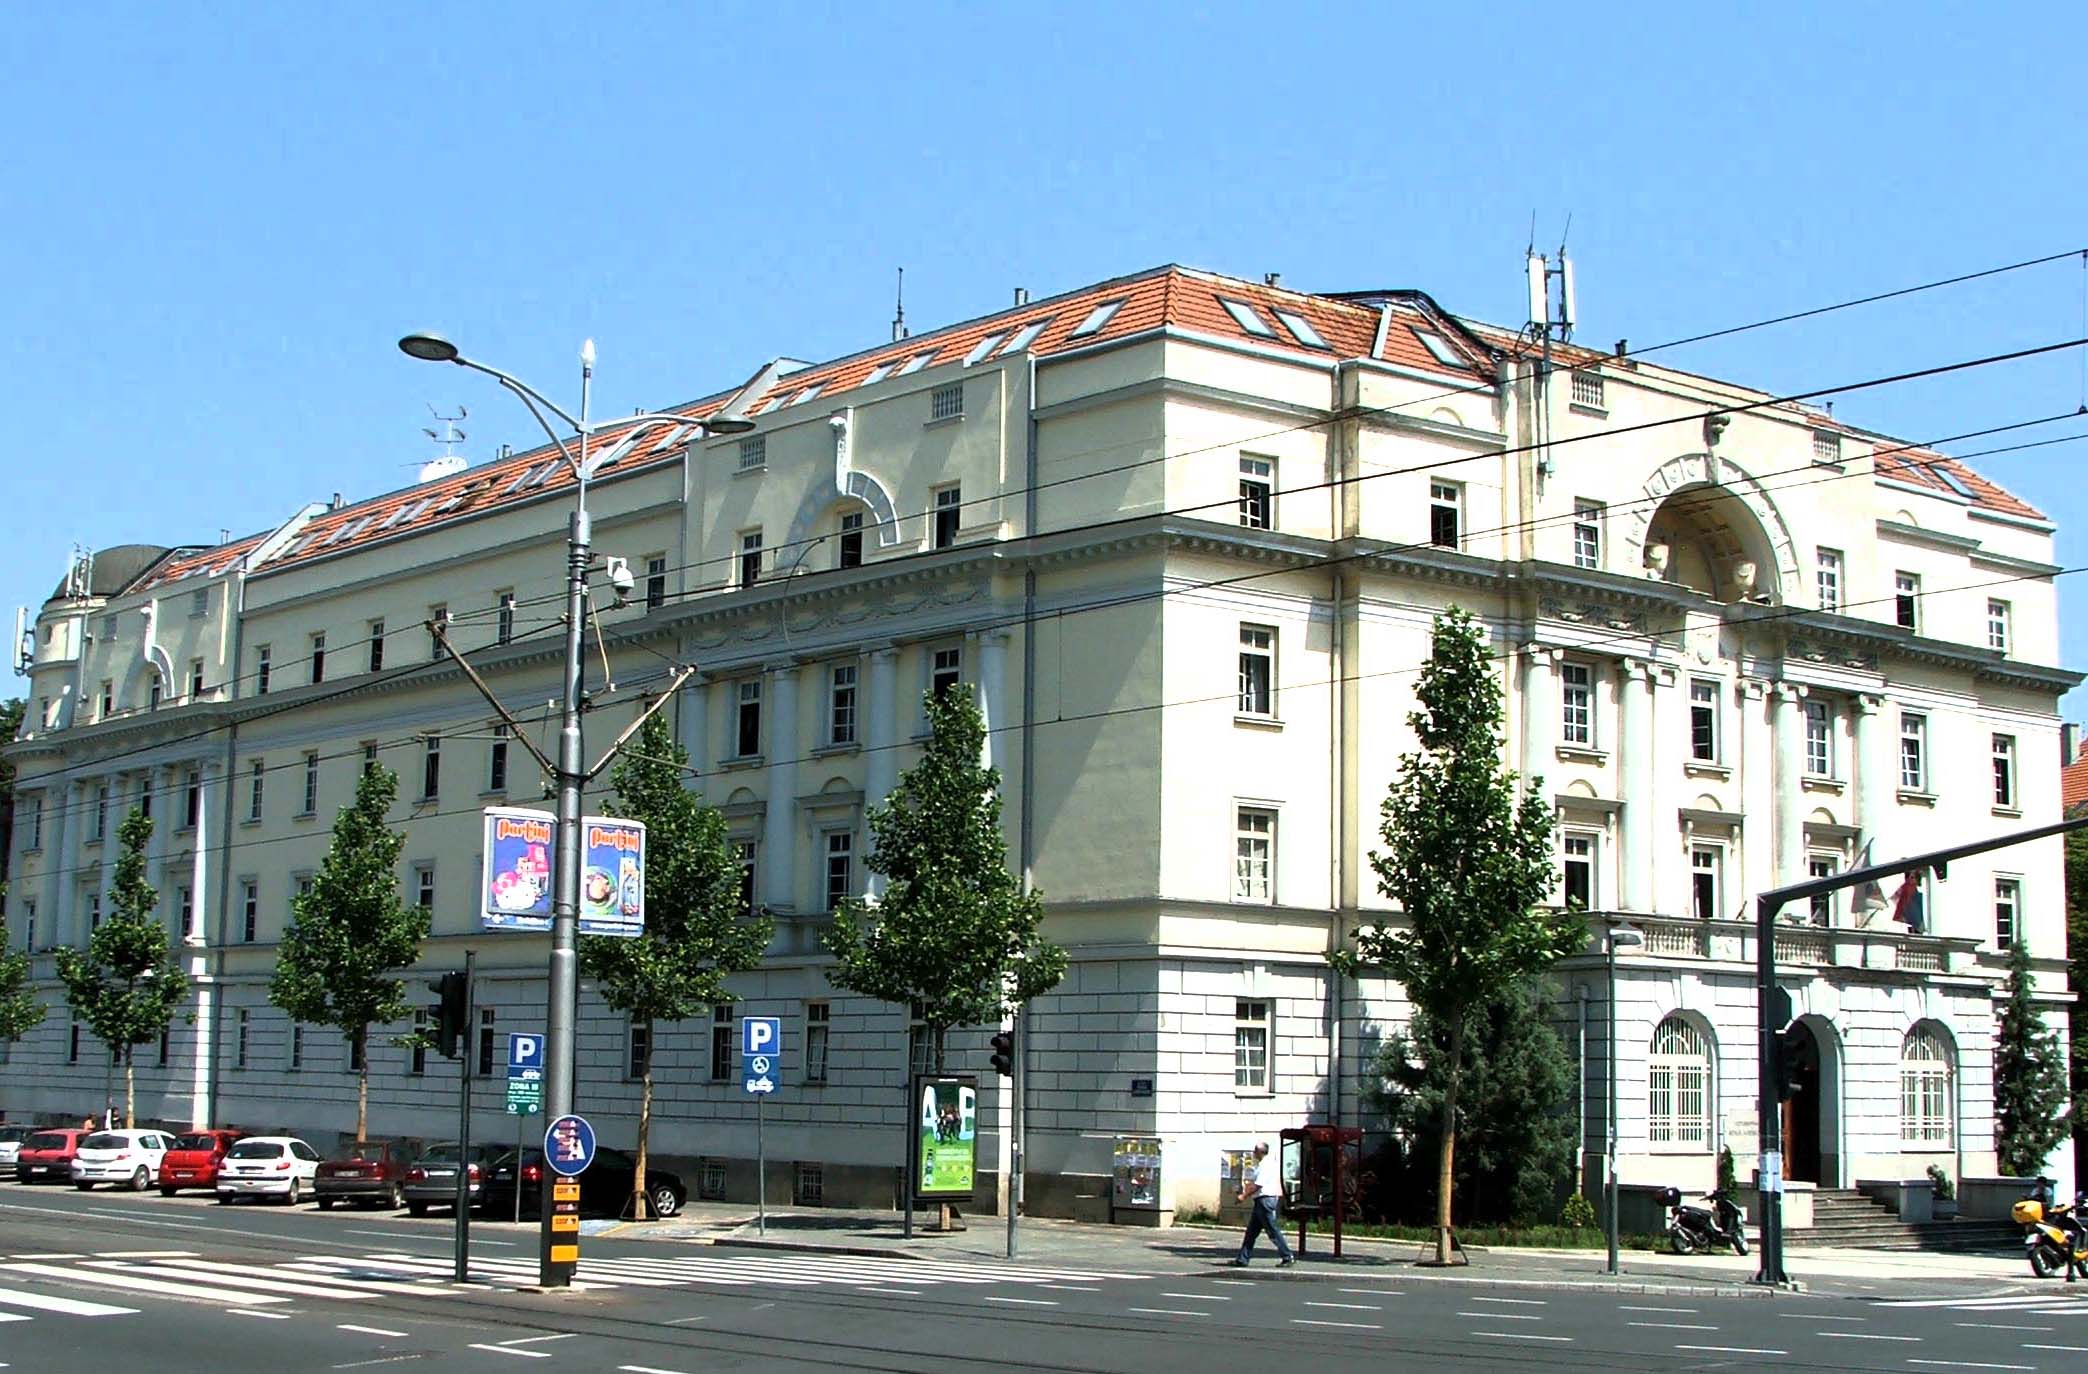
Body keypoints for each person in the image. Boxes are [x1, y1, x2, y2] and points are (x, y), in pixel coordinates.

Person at [1230, 1141, 1294, 1267]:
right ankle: (1242, 1259)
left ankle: (1287, 1256)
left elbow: (1258, 1185)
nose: (1253, 1153)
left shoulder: (1266, 1165)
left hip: (1265, 1200)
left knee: (1272, 1230)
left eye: (1255, 1151)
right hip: (1261, 1200)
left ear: (1260, 1152)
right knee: (1251, 1232)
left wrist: (1243, 1196)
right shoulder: (1263, 1164)